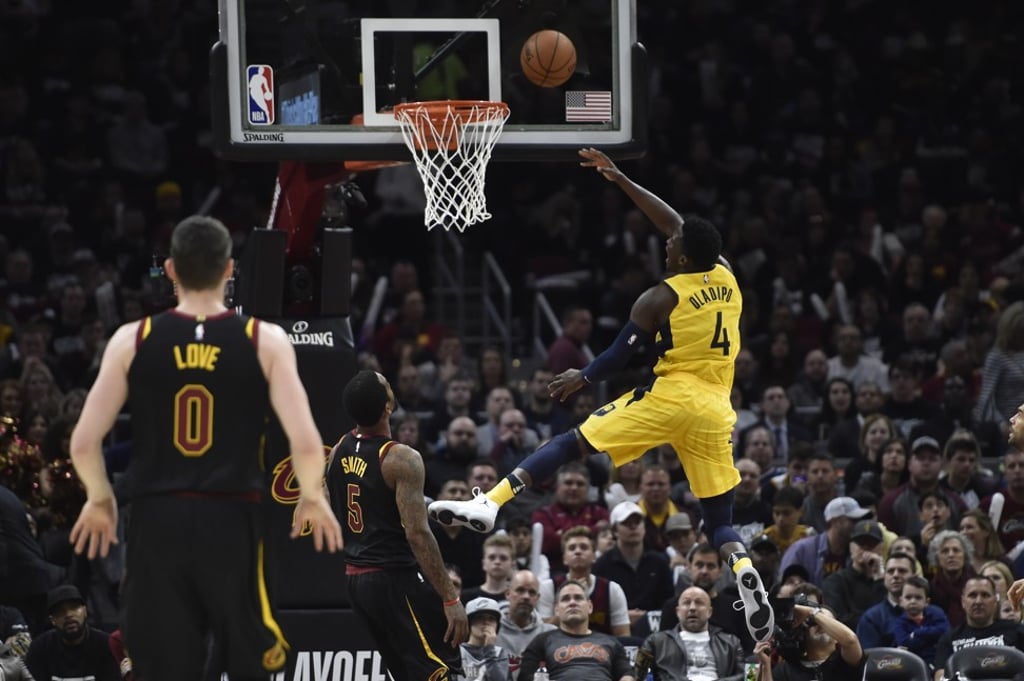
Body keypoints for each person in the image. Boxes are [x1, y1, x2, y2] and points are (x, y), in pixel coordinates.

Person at [431, 148, 775, 643]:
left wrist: (582, 378)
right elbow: (678, 222)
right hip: (718, 410)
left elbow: (616, 356)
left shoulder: (660, 297)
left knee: (572, 443)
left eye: (671, 244)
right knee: (719, 520)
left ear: (680, 257)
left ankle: (490, 501)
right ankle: (742, 567)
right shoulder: (724, 274)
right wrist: (621, 181)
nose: (666, 243)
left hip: (671, 397)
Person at [67, 216, 342, 681]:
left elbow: (83, 442)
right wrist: (313, 495)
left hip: (157, 519)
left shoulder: (133, 339)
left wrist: (99, 498)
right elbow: (306, 441)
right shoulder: (264, 339)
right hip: (232, 517)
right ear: (229, 269)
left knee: (165, 665)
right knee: (250, 660)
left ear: (171, 269)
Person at [327, 370, 468, 680]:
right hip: (393, 577)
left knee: (406, 673)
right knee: (440, 669)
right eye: (386, 384)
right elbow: (416, 534)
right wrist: (450, 597)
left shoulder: (338, 450)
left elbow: (332, 501)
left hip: (356, 580)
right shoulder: (401, 459)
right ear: (388, 407)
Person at [518, 579, 634, 681]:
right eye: (565, 599)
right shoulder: (542, 640)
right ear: (557, 610)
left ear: (590, 607)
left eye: (578, 598)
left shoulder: (611, 642)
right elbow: (525, 676)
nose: (572, 603)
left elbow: (627, 673)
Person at [634, 586, 745, 681]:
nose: (692, 608)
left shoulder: (731, 642)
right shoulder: (655, 642)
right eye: (686, 603)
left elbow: (745, 676)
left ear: (709, 612)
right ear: (678, 611)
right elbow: (639, 676)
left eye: (699, 603)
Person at [753, 599, 867, 681]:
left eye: (828, 623)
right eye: (813, 622)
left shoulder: (844, 660)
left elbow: (851, 640)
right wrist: (765, 665)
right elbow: (752, 677)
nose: (820, 625)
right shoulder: (787, 669)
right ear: (801, 634)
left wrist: (812, 613)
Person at [24, 585, 121, 681]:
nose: (69, 615)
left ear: (85, 611)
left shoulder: (106, 645)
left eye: (74, 608)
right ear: (53, 620)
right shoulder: (40, 648)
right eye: (60, 611)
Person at [496, 570, 555, 678]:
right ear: (508, 594)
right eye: (520, 590)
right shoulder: (492, 629)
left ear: (537, 598)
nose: (526, 596)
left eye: (532, 592)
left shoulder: (550, 634)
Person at [892, 576, 948, 668]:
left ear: (927, 601)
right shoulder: (899, 623)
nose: (913, 601)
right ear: (901, 601)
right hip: (912, 664)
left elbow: (945, 631)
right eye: (908, 597)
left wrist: (918, 633)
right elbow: (904, 643)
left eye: (918, 597)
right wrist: (931, 638)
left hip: (937, 661)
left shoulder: (936, 613)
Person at [459, 598, 512, 681]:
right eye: (479, 618)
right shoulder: (458, 653)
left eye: (491, 619)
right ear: (469, 623)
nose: (486, 622)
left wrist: (489, 650)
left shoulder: (500, 654)